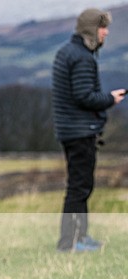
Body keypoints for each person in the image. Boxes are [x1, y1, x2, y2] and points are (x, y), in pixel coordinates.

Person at [51, 8, 125, 252]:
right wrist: (109, 99)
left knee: (80, 186)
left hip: (71, 129)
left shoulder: (67, 52)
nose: (106, 32)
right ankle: (70, 242)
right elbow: (84, 96)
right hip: (80, 131)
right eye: (103, 27)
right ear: (92, 29)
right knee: (79, 187)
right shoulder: (82, 57)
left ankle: (80, 237)